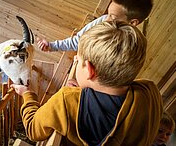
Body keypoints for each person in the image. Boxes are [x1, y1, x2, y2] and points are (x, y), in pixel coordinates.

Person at [11, 21, 163, 145]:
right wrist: (85, 91)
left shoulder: (67, 101)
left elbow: (32, 129)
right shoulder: (149, 92)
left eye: (78, 59)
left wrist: (27, 94)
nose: (76, 60)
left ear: (90, 70)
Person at [37, 0, 153, 52]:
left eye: (113, 17)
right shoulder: (103, 20)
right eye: (108, 13)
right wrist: (52, 46)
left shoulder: (130, 46)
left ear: (132, 23)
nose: (106, 20)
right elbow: (78, 41)